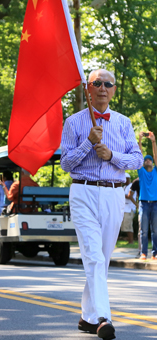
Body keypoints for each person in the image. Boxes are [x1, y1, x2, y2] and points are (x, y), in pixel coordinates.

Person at [60, 69, 143, 339]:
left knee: (102, 259)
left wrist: (111, 155)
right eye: (97, 83)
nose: (102, 88)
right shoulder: (73, 122)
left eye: (108, 84)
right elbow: (65, 164)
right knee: (93, 257)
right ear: (88, 88)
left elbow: (137, 160)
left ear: (114, 90)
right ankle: (104, 318)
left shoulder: (122, 123)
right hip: (83, 192)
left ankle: (86, 317)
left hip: (114, 194)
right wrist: (88, 143)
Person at [137, 131, 157, 260]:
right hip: (143, 204)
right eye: (146, 160)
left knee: (156, 230)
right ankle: (143, 253)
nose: (148, 161)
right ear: (143, 163)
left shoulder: (155, 171)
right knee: (143, 231)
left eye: (150, 160)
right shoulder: (141, 172)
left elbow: (156, 156)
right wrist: (139, 140)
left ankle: (155, 253)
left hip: (155, 204)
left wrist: (153, 141)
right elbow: (139, 155)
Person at [121, 174, 136, 244]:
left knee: (129, 225)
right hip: (124, 208)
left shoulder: (131, 186)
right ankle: (129, 241)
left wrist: (120, 194)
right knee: (125, 226)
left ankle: (131, 241)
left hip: (129, 209)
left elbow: (129, 196)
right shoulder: (124, 187)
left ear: (127, 178)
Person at [130, 178, 141, 257]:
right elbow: (130, 195)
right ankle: (141, 251)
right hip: (142, 205)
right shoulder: (137, 181)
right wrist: (137, 205)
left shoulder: (154, 177)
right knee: (142, 230)